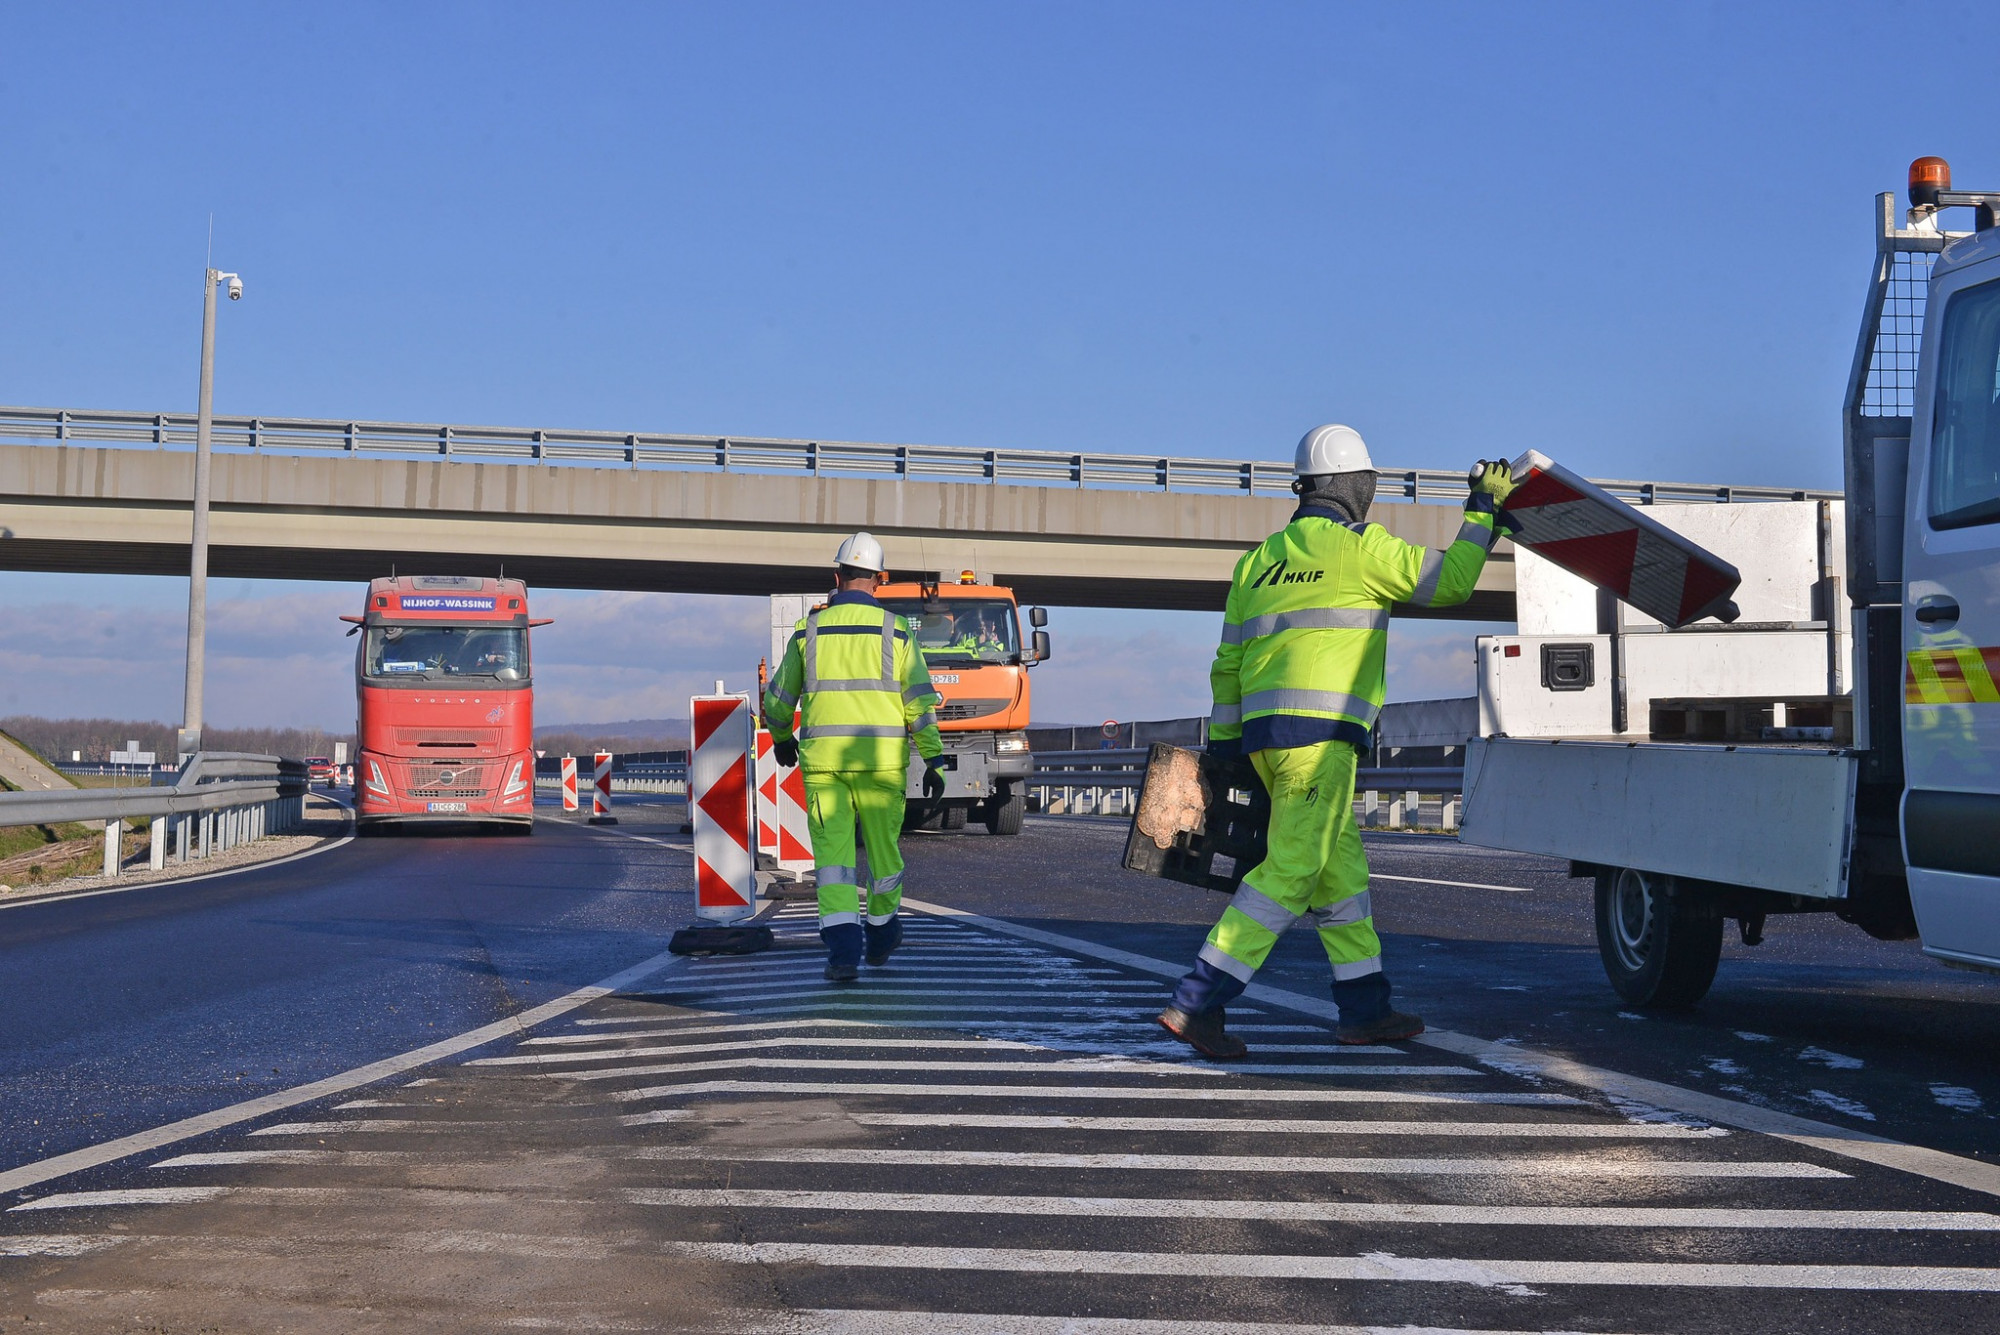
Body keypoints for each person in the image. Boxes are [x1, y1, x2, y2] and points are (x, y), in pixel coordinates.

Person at [1156, 424, 1515, 1058]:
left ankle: (1365, 1007)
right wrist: (1483, 512)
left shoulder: (1259, 560)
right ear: (1354, 486)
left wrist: (1231, 752)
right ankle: (1197, 1001)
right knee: (1292, 871)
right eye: (1370, 483)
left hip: (1267, 744)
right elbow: (1452, 582)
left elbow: (1228, 664)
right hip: (1321, 745)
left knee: (1339, 876)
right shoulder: (1360, 548)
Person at [763, 531, 948, 981]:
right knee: (885, 857)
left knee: (833, 861)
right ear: (880, 580)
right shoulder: (897, 632)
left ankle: (843, 951)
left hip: (824, 766)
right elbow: (919, 704)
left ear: (836, 576)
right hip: (883, 765)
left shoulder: (809, 630)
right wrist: (935, 759)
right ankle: (882, 934)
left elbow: (778, 700)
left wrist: (783, 737)